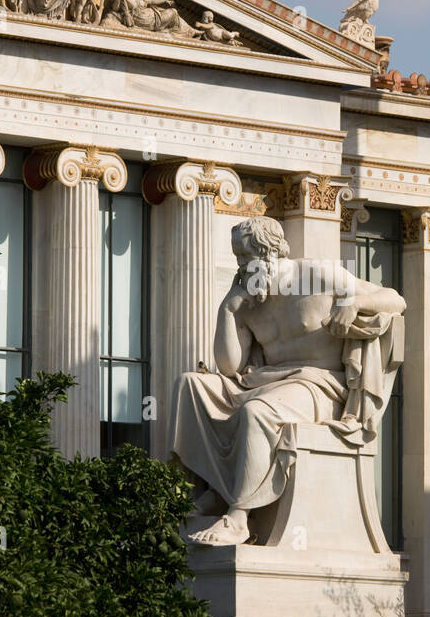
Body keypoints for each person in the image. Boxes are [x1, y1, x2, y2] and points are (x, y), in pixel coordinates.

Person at [170, 216, 405, 546]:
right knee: (190, 386)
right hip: (265, 382)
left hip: (319, 385)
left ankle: (238, 517)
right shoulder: (251, 298)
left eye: (244, 257)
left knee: (257, 412)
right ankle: (207, 491)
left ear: (268, 253)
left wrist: (355, 302)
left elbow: (395, 299)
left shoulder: (313, 275)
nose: (240, 266)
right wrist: (229, 309)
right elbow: (229, 365)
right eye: (237, 257)